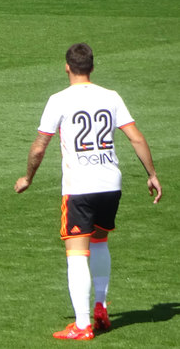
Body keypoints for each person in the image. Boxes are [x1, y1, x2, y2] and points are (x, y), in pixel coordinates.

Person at [14, 43, 162, 340]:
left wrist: (28, 177)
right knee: (100, 242)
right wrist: (152, 174)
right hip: (110, 184)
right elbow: (135, 137)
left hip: (80, 187)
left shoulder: (59, 100)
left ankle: (82, 325)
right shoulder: (111, 97)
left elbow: (40, 146)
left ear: (66, 67)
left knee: (76, 254)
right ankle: (101, 306)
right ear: (92, 67)